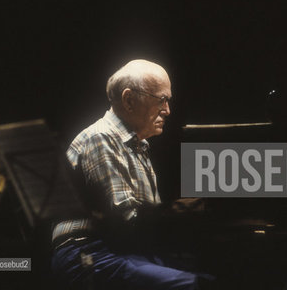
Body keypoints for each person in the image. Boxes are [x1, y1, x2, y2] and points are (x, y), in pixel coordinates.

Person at [51, 59, 209, 290]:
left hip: (118, 250)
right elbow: (125, 221)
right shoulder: (102, 137)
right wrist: (185, 211)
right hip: (86, 252)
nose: (167, 110)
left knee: (213, 276)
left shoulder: (137, 147)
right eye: (161, 100)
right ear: (129, 100)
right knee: (195, 285)